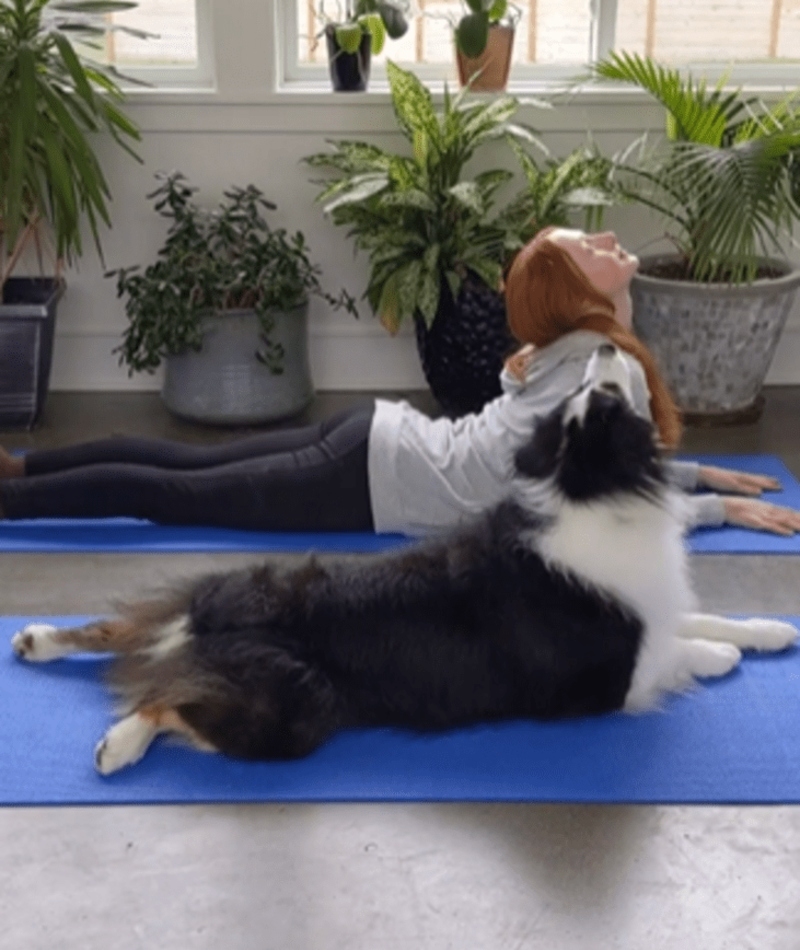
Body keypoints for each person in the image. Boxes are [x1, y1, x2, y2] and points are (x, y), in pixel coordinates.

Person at [0, 227, 798, 537]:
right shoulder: (599, 365)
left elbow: (596, 473)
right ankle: (15, 494)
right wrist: (708, 506)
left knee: (185, 470)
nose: (609, 235)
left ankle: (25, 467)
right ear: (574, 290)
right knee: (172, 494)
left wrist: (693, 477)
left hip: (373, 442)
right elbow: (601, 506)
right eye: (587, 242)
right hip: (373, 473)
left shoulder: (577, 353)